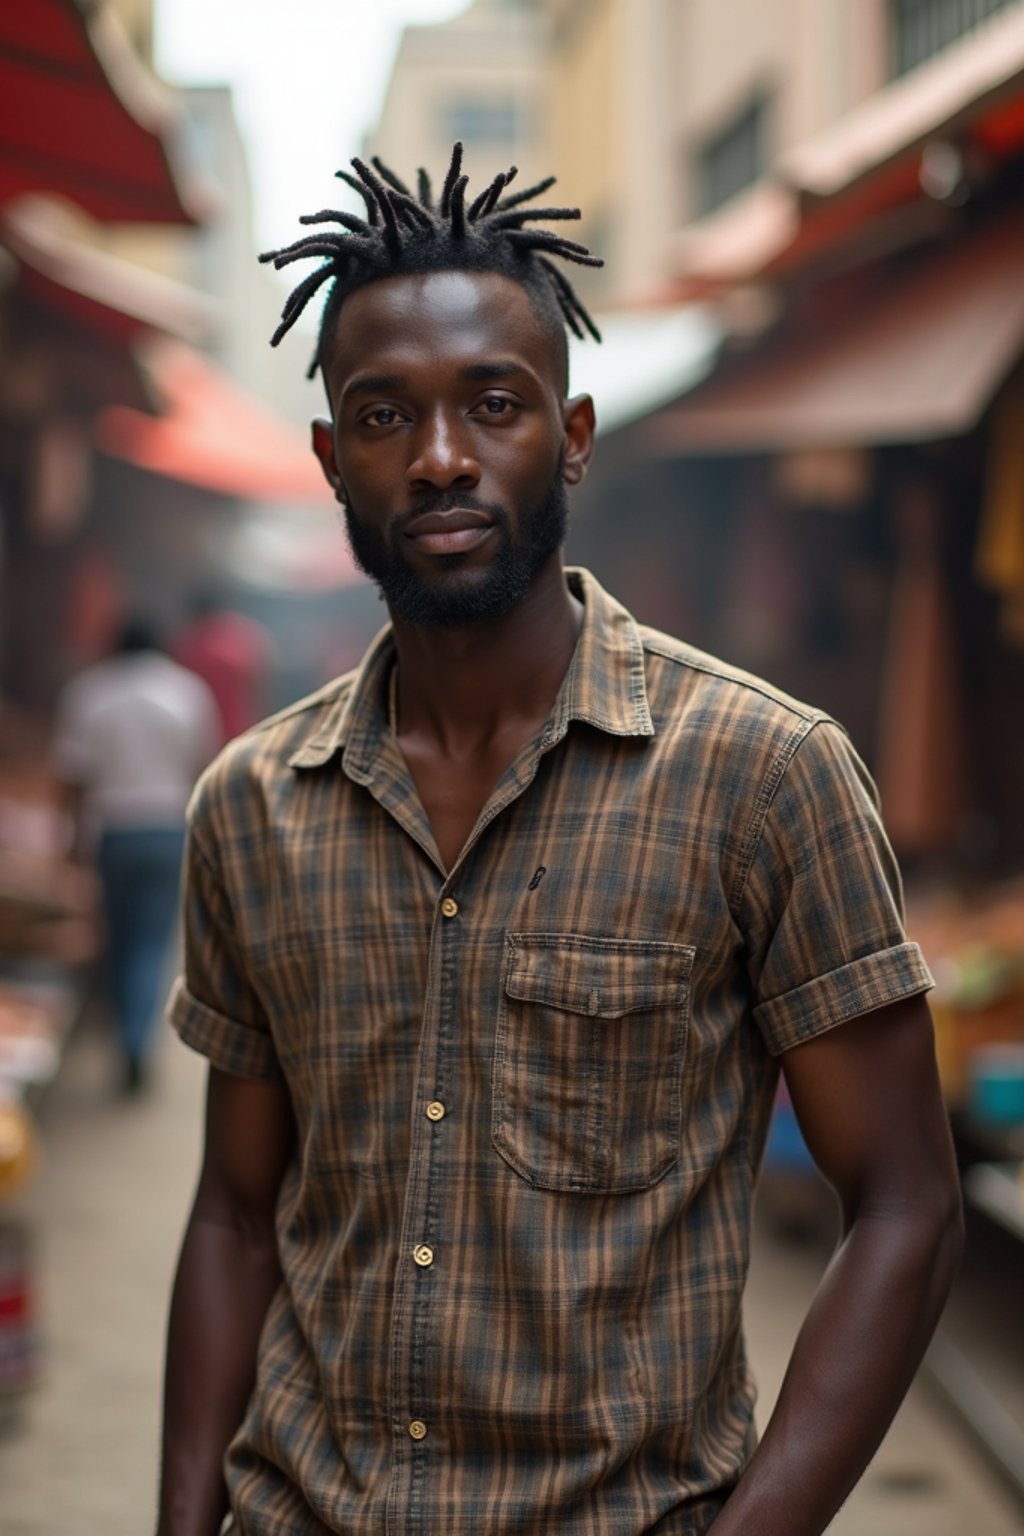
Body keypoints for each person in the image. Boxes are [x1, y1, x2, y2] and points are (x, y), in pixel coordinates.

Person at [157, 146, 963, 1536]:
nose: (444, 456)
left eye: (494, 405)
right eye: (384, 414)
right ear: (330, 460)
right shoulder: (250, 805)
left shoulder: (765, 775)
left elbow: (904, 1208)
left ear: (572, 434)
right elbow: (233, 1215)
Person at [52, 619, 218, 1091]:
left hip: (114, 831)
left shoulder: (89, 692)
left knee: (120, 937)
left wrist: (68, 842)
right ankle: (137, 1039)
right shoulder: (187, 691)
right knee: (151, 940)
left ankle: (126, 1034)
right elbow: (204, 767)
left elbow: (73, 776)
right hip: (168, 828)